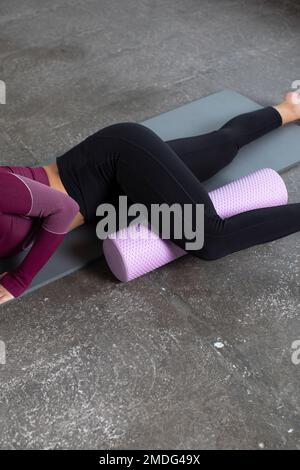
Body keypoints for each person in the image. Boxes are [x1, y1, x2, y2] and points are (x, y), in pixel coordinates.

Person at [1, 91, 300, 304]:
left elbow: (62, 209)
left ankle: (289, 110)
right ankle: (290, 107)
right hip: (106, 198)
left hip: (114, 161)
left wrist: (18, 280)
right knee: (219, 148)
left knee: (211, 240)